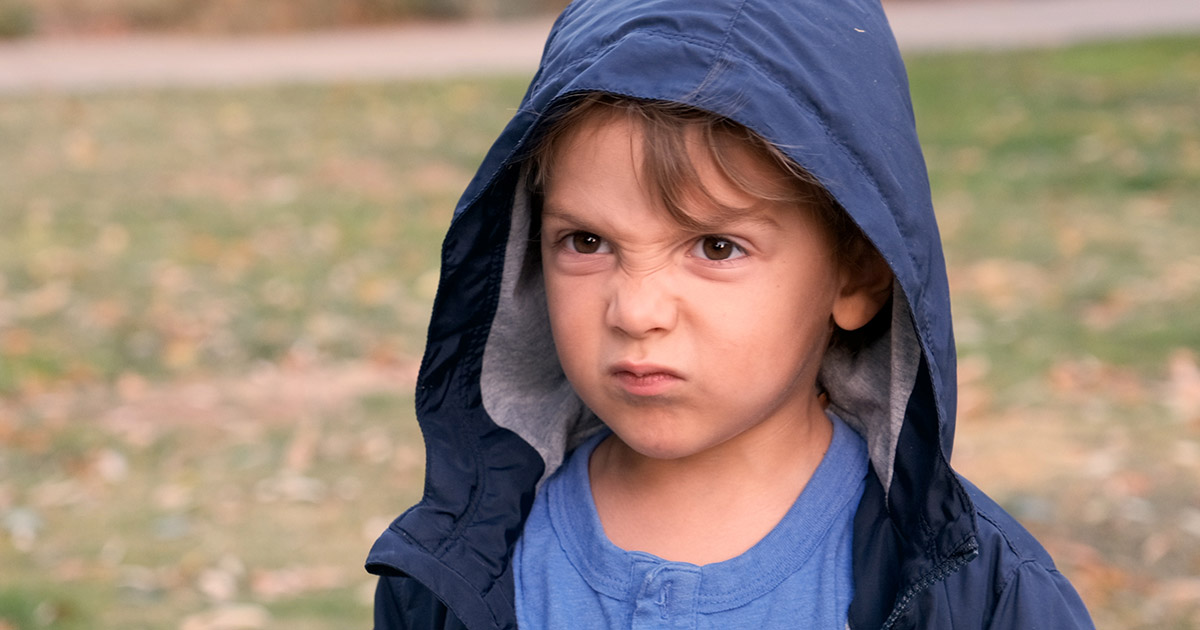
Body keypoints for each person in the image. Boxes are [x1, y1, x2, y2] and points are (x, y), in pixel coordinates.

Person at [366, 0, 1096, 628]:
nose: (637, 311)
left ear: (857, 276)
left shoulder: (978, 594)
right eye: (587, 242)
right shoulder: (454, 570)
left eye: (716, 247)